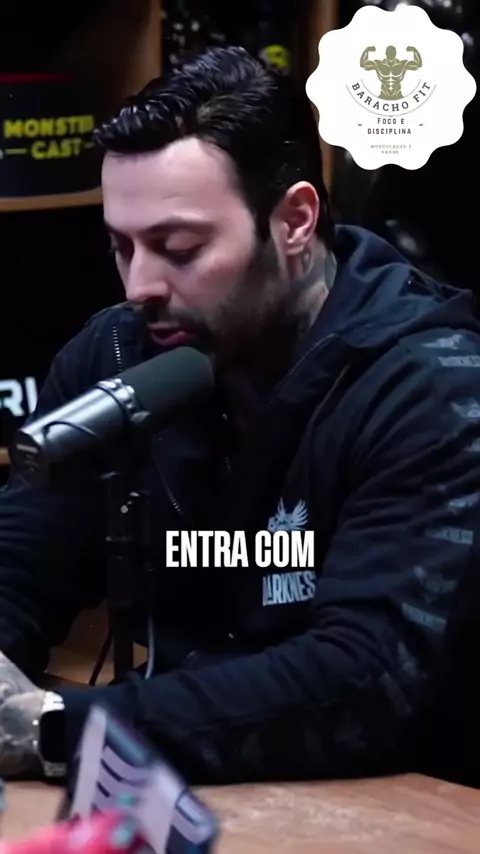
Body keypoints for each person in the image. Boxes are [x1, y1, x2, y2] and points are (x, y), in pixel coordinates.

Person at [0, 44, 479, 786]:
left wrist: (60, 727)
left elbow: (362, 679)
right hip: (191, 792)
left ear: (294, 221)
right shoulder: (117, 354)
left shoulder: (429, 385)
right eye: (121, 247)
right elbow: (18, 570)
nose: (139, 285)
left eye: (179, 247)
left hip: (400, 808)